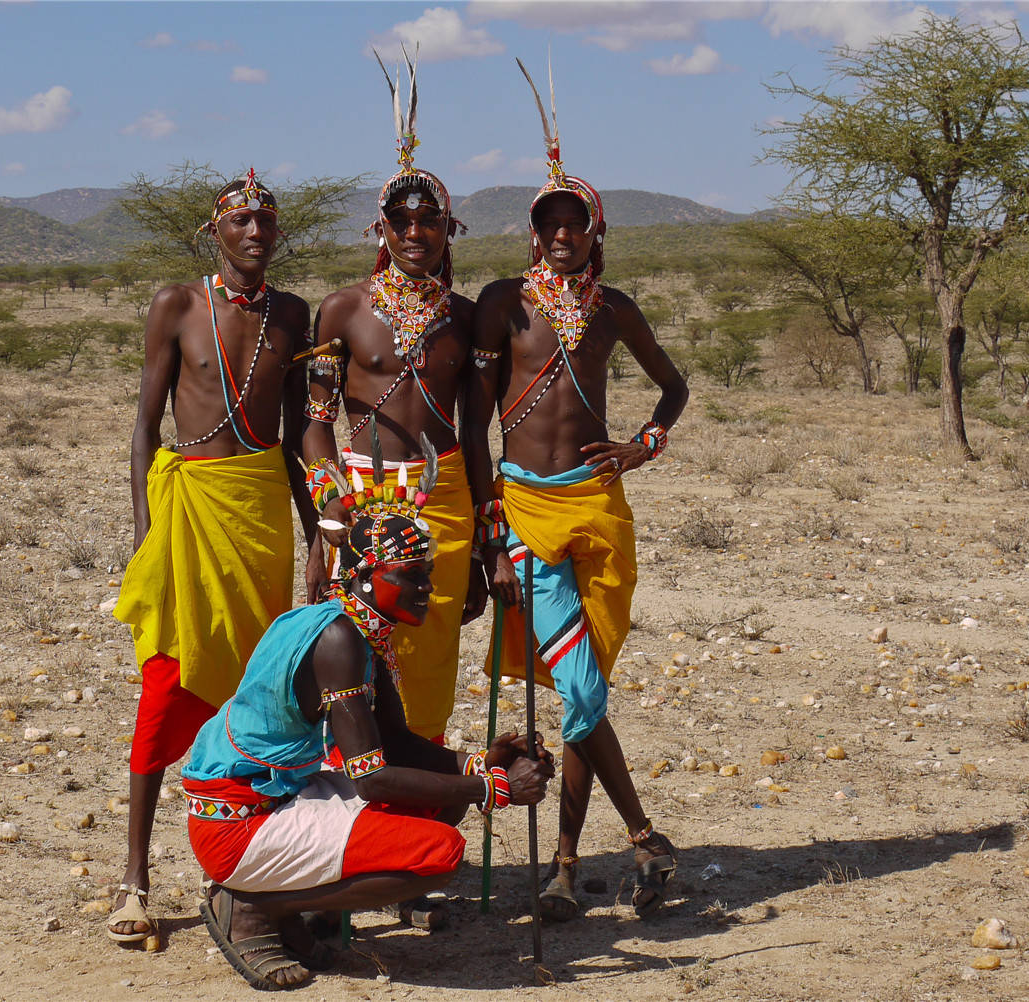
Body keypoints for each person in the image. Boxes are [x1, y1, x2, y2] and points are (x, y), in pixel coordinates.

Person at [181, 439, 554, 990]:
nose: (427, 587)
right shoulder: (339, 642)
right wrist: (494, 790)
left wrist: (478, 762)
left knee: (433, 806)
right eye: (411, 575)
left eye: (427, 572)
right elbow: (373, 776)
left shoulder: (357, 626)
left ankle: (296, 908)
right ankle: (256, 907)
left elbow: (397, 742)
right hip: (236, 824)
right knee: (441, 852)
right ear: (363, 575)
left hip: (272, 796)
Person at [462, 60, 690, 923]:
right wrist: (491, 532)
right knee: (575, 688)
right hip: (522, 506)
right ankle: (633, 842)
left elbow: (675, 389)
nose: (563, 234)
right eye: (550, 222)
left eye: (576, 222)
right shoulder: (499, 303)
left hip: (597, 511)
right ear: (534, 232)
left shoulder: (614, 309)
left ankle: (566, 866)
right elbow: (476, 424)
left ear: (596, 230)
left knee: (583, 691)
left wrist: (640, 449)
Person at [108, 172, 317, 944]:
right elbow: (143, 425)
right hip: (190, 511)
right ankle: (133, 878)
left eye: (266, 220)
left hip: (262, 512)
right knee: (165, 688)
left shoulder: (293, 316)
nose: (255, 232)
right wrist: (144, 529)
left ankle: (243, 870)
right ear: (215, 233)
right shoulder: (177, 305)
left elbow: (299, 438)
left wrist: (320, 536)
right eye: (241, 222)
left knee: (259, 693)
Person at [303, 51, 484, 849]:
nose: (416, 234)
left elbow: (476, 433)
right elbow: (314, 420)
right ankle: (356, 836)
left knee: (432, 669)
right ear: (382, 228)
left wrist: (486, 542)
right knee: (358, 667)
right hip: (363, 507)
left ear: (450, 230)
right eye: (401, 222)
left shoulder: (469, 320)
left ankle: (413, 838)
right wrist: (328, 511)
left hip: (442, 506)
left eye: (431, 221)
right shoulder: (341, 311)